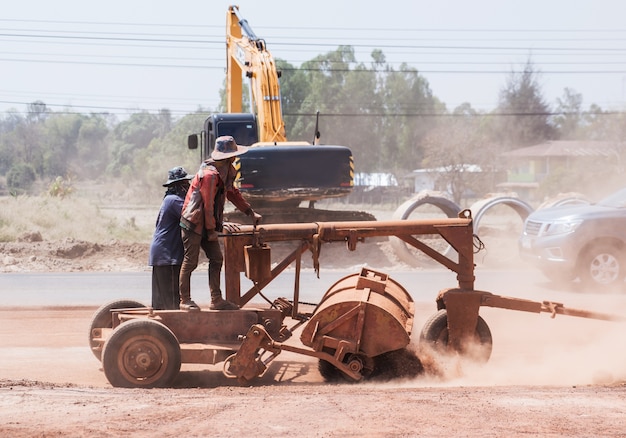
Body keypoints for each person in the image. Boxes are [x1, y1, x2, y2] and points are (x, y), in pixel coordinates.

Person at [179, 135, 262, 311]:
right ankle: (184, 300)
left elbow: (232, 193)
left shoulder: (226, 172)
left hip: (207, 222)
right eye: (233, 155)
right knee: (190, 261)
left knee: (216, 258)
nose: (235, 158)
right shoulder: (209, 175)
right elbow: (208, 206)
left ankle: (216, 300)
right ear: (228, 156)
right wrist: (211, 230)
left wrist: (249, 212)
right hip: (194, 222)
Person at [149, 166, 193, 310]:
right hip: (168, 254)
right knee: (172, 300)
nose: (187, 187)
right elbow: (193, 216)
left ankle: (156, 329)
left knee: (161, 300)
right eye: (185, 184)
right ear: (179, 185)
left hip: (161, 253)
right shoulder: (175, 201)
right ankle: (171, 329)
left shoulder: (168, 199)